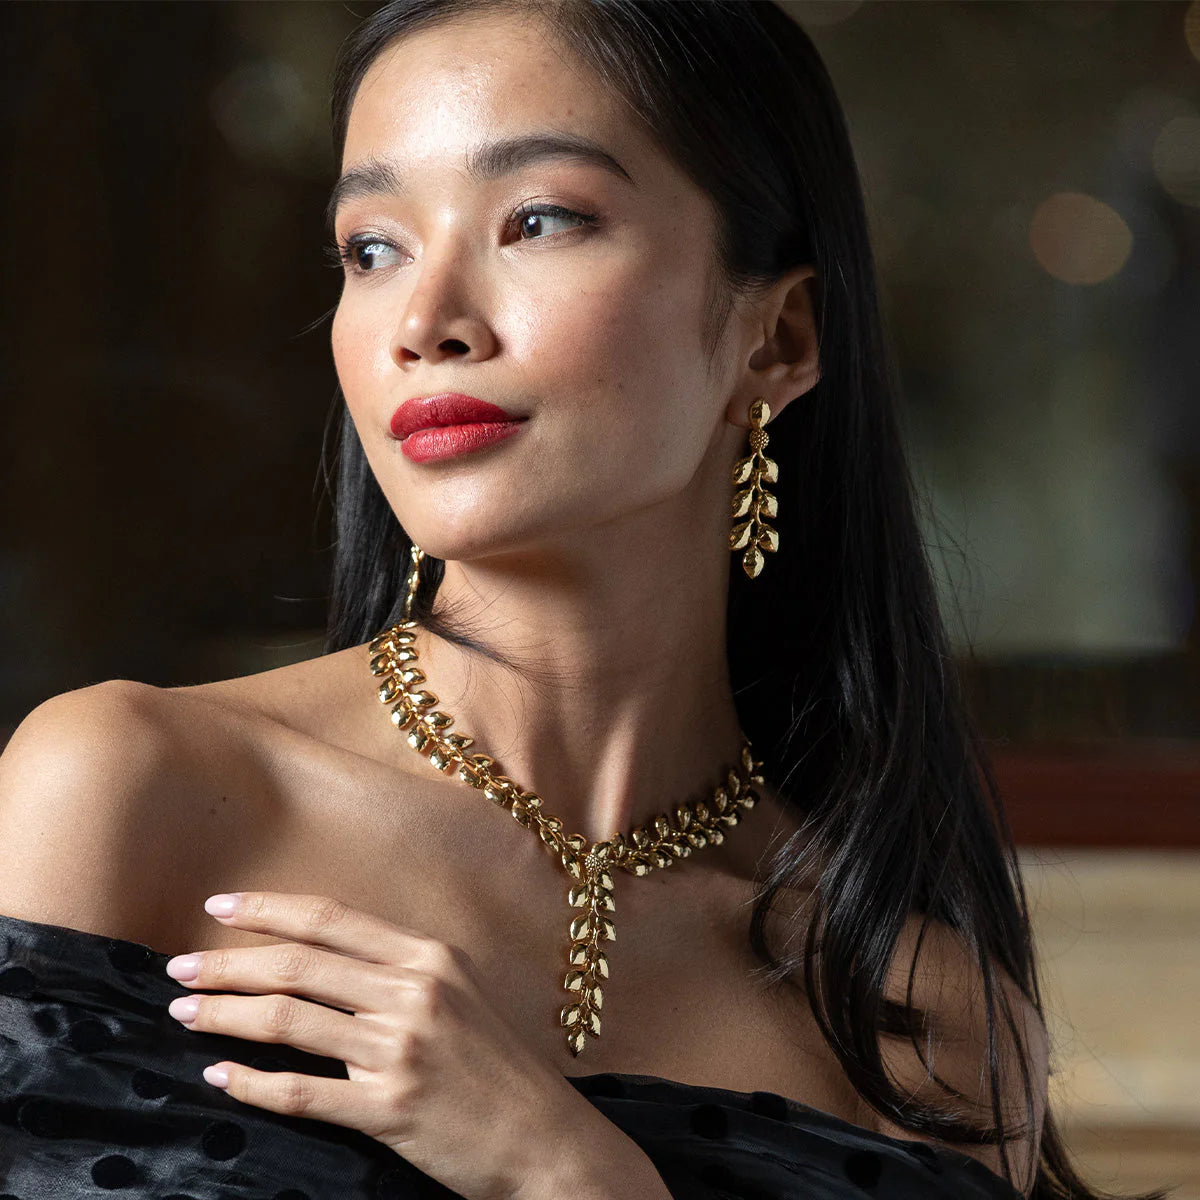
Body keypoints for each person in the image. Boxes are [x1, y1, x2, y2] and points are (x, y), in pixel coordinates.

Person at [0, 2, 1170, 1198]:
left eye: (538, 220)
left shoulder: (930, 1028)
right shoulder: (128, 789)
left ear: (777, 339)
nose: (426, 323)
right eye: (371, 248)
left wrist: (561, 1174)